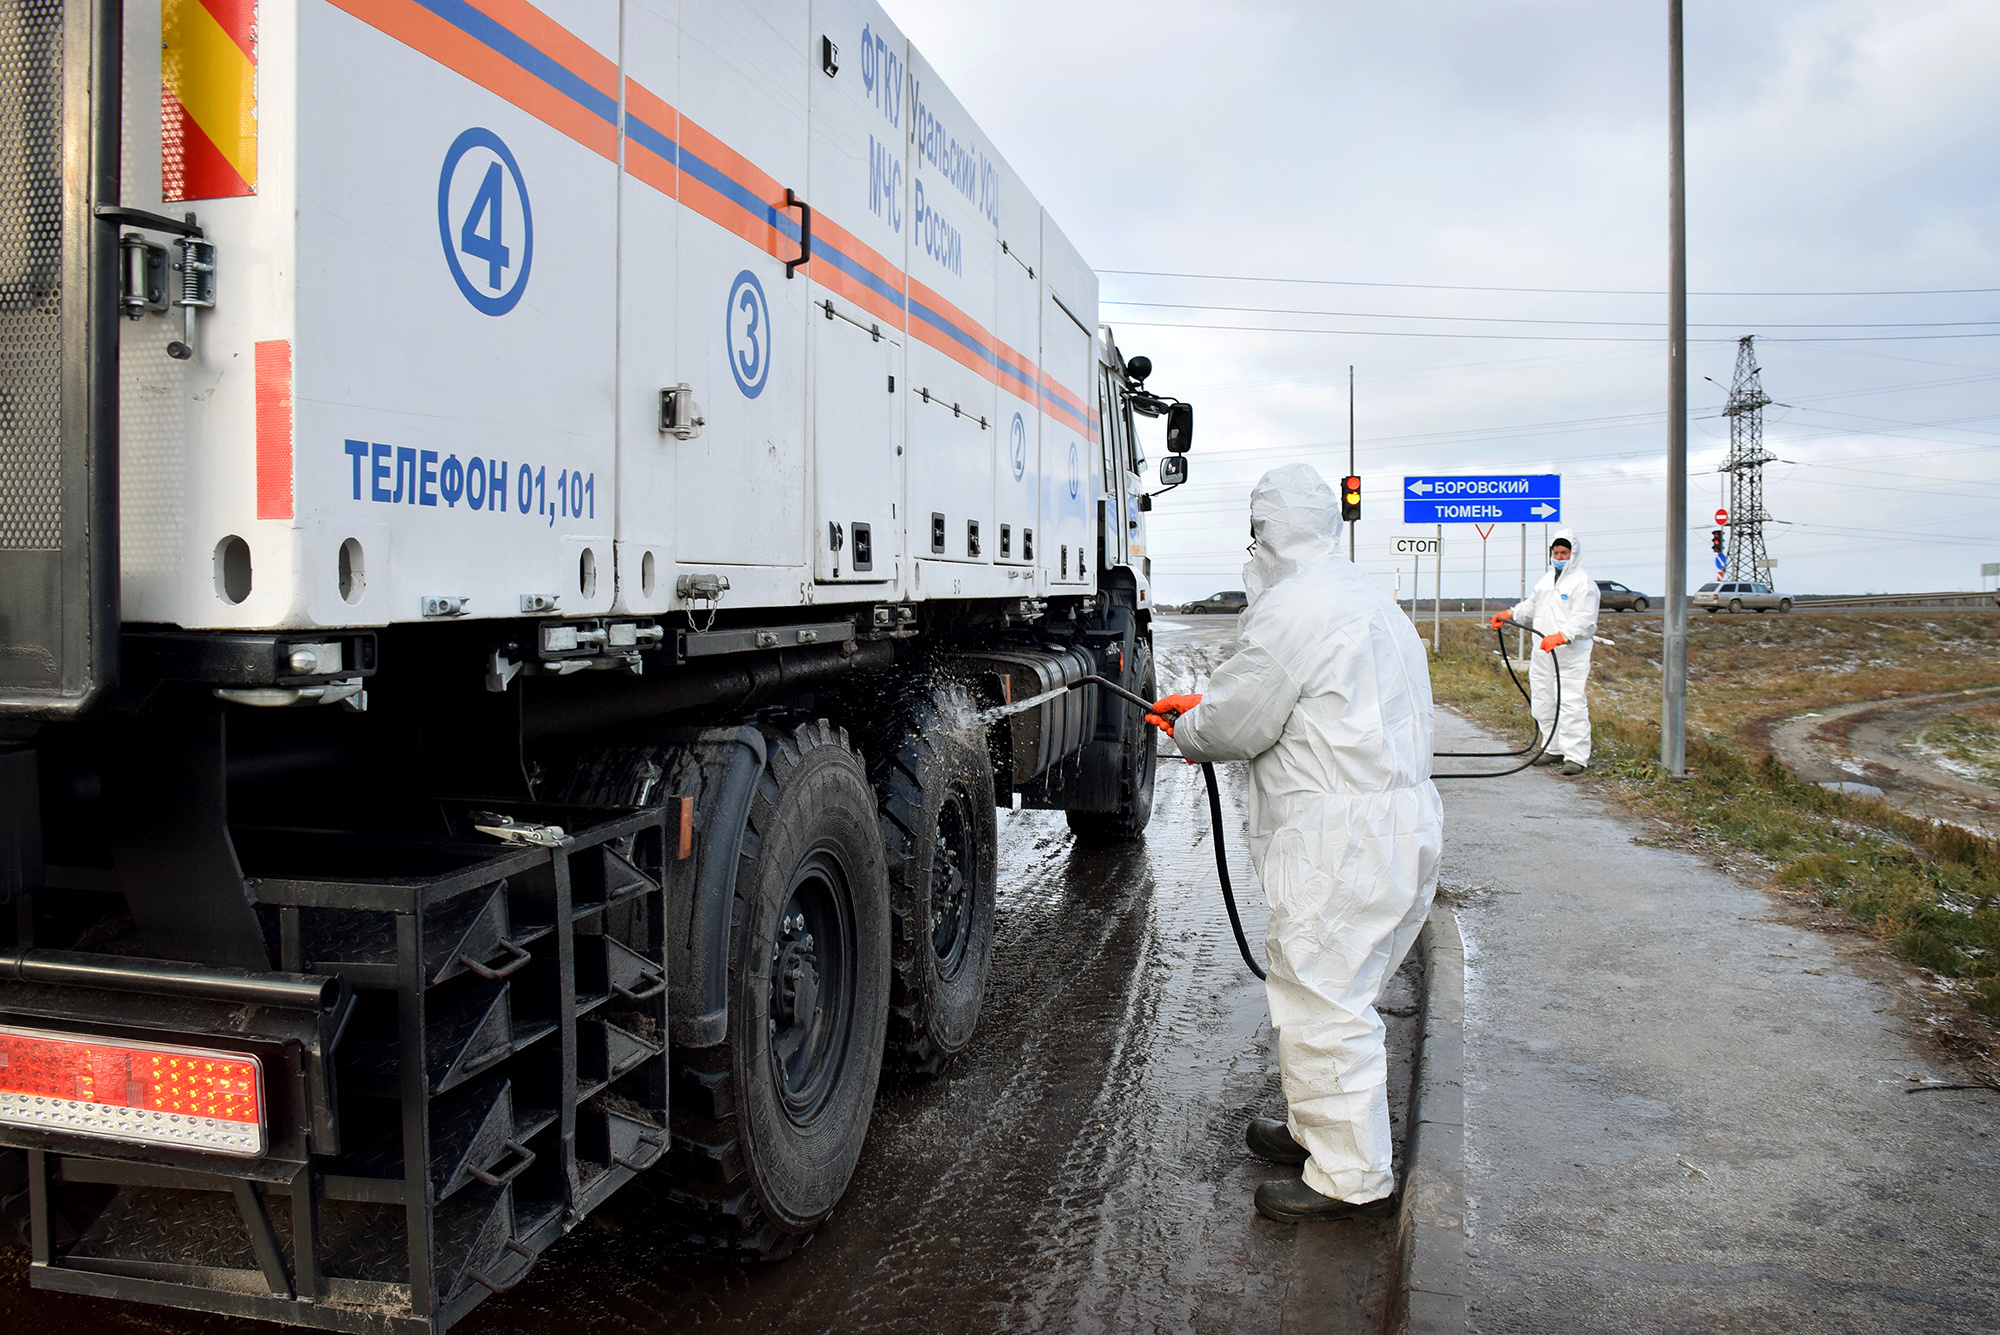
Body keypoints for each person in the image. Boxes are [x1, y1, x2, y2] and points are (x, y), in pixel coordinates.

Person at [1145, 464, 1443, 1223]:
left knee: (1323, 996)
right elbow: (1295, 697)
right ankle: (1321, 1130)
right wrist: (1207, 704)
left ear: (1269, 531)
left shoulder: (1293, 609)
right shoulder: (1365, 594)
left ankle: (1349, 1176)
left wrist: (1191, 725)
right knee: (1335, 987)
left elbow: (1242, 719)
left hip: (1341, 839)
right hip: (1397, 824)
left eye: (1256, 529)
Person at [1490, 528, 1599, 776]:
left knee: (1570, 703)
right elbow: (1531, 606)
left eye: (1564, 552)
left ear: (1574, 554)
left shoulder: (1583, 584)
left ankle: (1576, 756)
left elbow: (1586, 620)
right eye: (1556, 552)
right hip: (1543, 653)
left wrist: (1563, 635)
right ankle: (1552, 747)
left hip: (1570, 655)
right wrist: (1510, 614)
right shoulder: (1546, 581)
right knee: (1543, 700)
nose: (1559, 557)